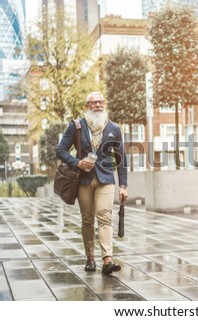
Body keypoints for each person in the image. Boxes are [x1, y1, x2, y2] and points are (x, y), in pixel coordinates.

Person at [56, 91, 128, 275]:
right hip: (83, 180)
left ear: (104, 104)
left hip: (106, 179)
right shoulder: (77, 126)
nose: (98, 105)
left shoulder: (114, 128)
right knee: (88, 220)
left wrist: (123, 185)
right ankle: (90, 258)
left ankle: (107, 260)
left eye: (100, 102)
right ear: (87, 106)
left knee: (104, 216)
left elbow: (121, 159)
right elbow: (61, 150)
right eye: (93, 102)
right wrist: (76, 162)